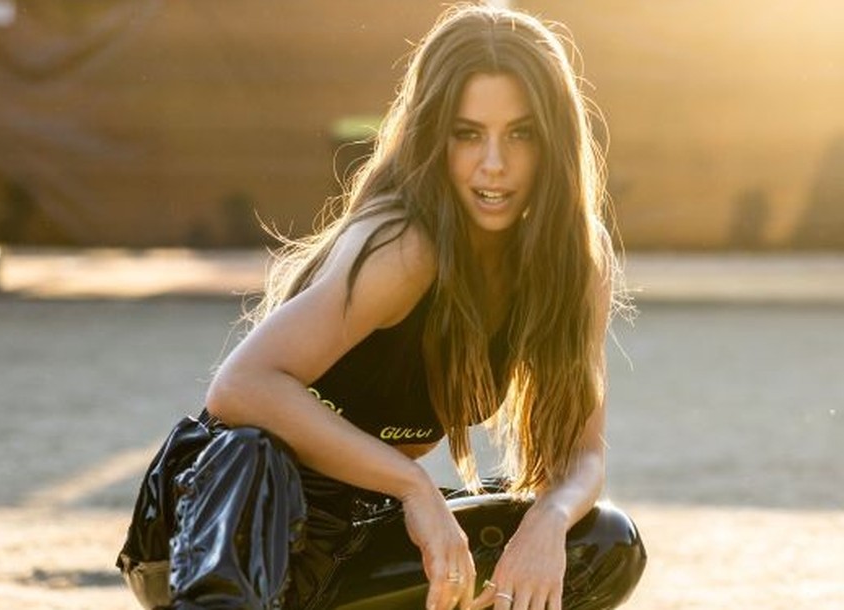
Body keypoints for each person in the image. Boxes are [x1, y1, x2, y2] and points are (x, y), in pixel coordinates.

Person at [132, 4, 646, 609]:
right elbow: (240, 387)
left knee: (605, 542)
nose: (494, 164)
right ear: (435, 135)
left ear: (553, 140)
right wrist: (413, 487)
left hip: (353, 536)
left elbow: (581, 453)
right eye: (468, 133)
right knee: (253, 452)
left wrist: (549, 522)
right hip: (216, 528)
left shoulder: (575, 264)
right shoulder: (404, 247)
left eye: (521, 133)